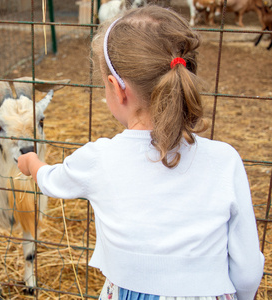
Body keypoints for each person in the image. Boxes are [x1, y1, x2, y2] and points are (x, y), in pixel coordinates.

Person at [17, 5, 265, 300]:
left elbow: (50, 180)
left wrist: (31, 162)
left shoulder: (99, 159)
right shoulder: (226, 160)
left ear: (117, 89)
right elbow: (248, 269)